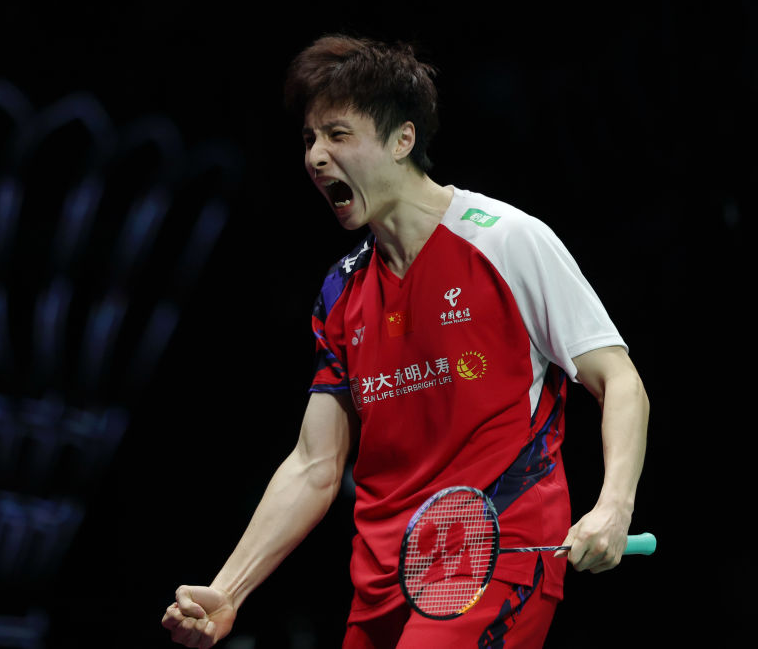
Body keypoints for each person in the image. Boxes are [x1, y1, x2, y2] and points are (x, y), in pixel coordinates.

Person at [161, 34, 649, 648]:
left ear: (402, 140)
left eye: (338, 135)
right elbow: (315, 464)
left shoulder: (505, 240)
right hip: (382, 582)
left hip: (493, 556)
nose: (316, 157)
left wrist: (614, 505)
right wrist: (229, 590)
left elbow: (619, 379)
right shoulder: (341, 291)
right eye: (309, 139)